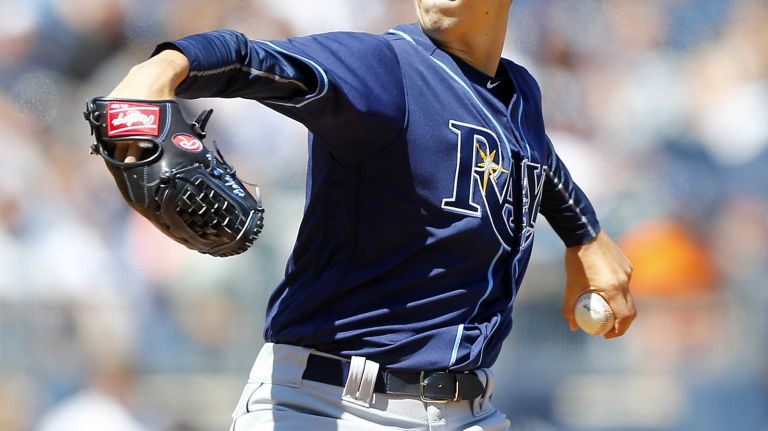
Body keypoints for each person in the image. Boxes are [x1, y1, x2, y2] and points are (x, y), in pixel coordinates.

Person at [106, 0, 635, 429]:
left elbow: (535, 157)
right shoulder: (385, 69)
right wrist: (161, 68)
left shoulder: (520, 93)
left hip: (470, 412)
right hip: (329, 405)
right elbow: (255, 60)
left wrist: (585, 235)